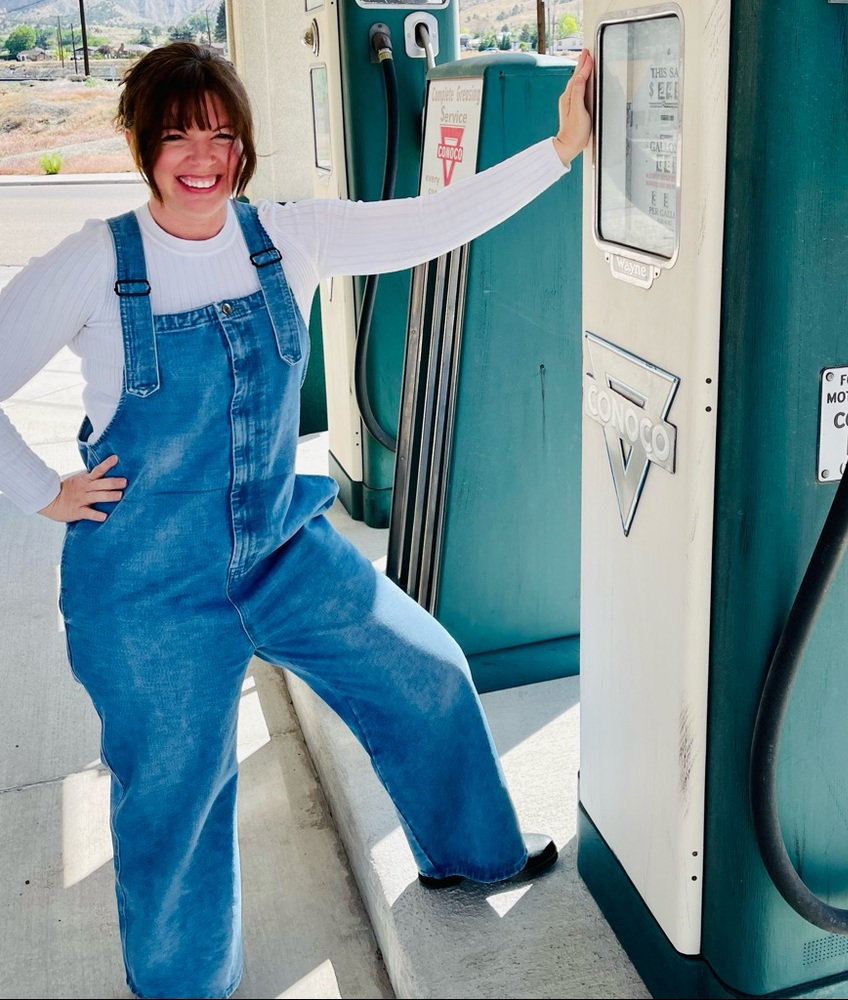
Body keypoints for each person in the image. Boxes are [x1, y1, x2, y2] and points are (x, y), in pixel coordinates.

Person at [0, 42, 593, 1000]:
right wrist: (45, 492)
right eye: (179, 134)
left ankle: (473, 852)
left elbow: (434, 222)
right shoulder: (93, 263)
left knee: (428, 671)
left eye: (222, 133)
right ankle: (185, 985)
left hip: (283, 548)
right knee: (174, 802)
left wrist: (558, 151)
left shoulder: (288, 235)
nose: (204, 156)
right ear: (142, 144)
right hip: (148, 588)